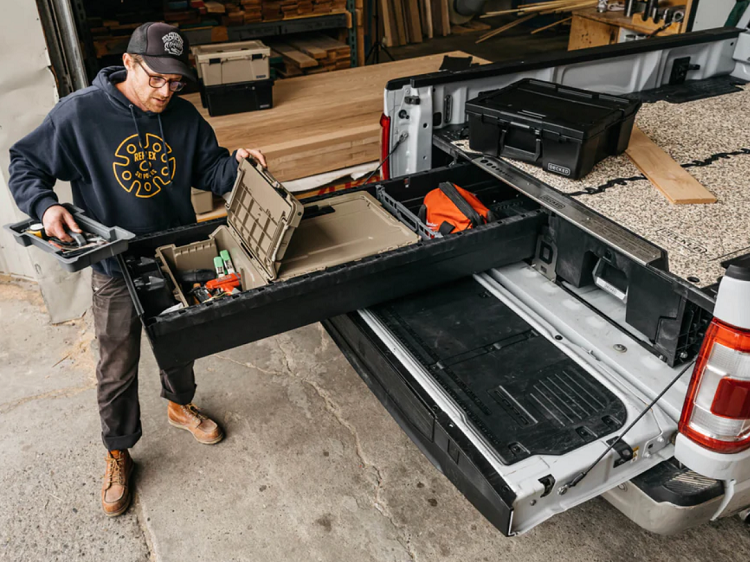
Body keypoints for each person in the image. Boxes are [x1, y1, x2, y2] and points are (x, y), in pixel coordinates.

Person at [7, 22, 266, 517]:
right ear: (129, 63)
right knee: (116, 366)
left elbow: (210, 170)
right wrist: (44, 207)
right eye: (156, 79)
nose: (166, 91)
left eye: (175, 82)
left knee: (180, 343)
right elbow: (25, 162)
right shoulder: (80, 114)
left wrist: (239, 164)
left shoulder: (184, 117)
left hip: (175, 254)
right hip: (115, 263)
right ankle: (118, 449)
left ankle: (178, 404)